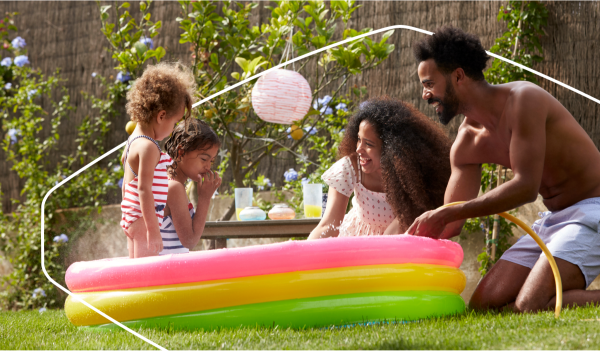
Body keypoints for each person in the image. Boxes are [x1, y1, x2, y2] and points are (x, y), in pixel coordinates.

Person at [407, 26, 600, 312]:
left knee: (529, 305)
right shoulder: (466, 143)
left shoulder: (523, 100)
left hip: (593, 210)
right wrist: (401, 248)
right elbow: (450, 223)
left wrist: (451, 211)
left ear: (458, 76)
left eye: (429, 84)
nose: (425, 95)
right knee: (483, 306)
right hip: (553, 220)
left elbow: (526, 187)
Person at [308, 97, 452, 239]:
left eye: (368, 144)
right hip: (357, 239)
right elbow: (328, 225)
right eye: (358, 139)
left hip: (397, 242)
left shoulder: (411, 174)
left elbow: (395, 234)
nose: (359, 149)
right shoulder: (350, 167)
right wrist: (305, 253)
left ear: (391, 149)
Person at [120, 62, 196, 258]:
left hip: (133, 218)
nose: (174, 128)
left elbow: (126, 186)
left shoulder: (131, 142)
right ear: (161, 116)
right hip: (144, 221)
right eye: (175, 122)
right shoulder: (148, 146)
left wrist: (126, 215)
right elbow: (144, 189)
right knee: (148, 275)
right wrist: (153, 229)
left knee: (137, 273)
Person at [160, 118, 221, 255]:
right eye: (204, 159)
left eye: (211, 161)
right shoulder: (174, 188)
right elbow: (190, 241)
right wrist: (204, 198)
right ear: (181, 152)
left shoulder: (169, 182)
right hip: (169, 272)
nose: (208, 166)